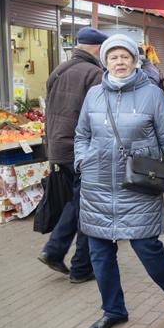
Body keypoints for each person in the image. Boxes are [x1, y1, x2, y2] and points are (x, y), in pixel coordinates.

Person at [74, 33, 164, 328]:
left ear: (135, 60)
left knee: (146, 246)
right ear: (105, 61)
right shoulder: (94, 94)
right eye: (113, 57)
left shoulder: (151, 94)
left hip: (137, 183)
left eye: (125, 56)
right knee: (99, 251)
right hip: (97, 185)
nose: (119, 62)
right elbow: (82, 134)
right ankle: (113, 310)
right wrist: (81, 160)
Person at [38, 27, 108, 283]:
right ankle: (79, 266)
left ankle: (55, 251)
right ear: (99, 49)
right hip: (80, 150)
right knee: (88, 205)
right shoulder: (95, 74)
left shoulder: (59, 70)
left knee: (77, 202)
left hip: (57, 147)